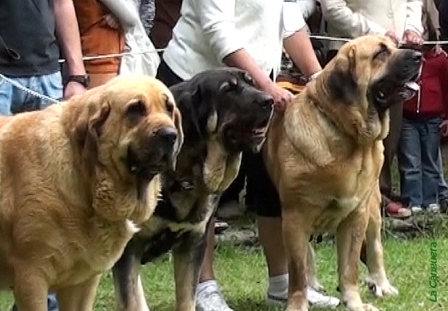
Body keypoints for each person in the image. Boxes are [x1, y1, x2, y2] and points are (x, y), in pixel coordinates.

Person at [156, 0, 340, 310]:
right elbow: (218, 29)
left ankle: (283, 285)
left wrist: (318, 80)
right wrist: (266, 88)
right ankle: (204, 288)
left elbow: (289, 20)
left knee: (270, 181)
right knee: (203, 191)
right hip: (197, 89)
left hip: (250, 88)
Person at [0, 1, 87, 310]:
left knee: (54, 203)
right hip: (3, 78)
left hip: (48, 74)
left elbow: (63, 3)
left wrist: (77, 75)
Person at [320, 0, 425, 219]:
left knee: (387, 134)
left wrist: (412, 27)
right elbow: (333, 8)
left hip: (393, 59)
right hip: (352, 62)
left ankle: (379, 195)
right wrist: (376, 34)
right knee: (345, 136)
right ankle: (336, 199)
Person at [398, 0, 448, 213]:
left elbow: (446, 90)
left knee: (430, 161)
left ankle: (432, 200)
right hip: (408, 118)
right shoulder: (402, 59)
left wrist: (447, 116)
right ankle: (413, 201)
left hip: (432, 118)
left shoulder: (440, 60)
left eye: (424, 32)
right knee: (411, 162)